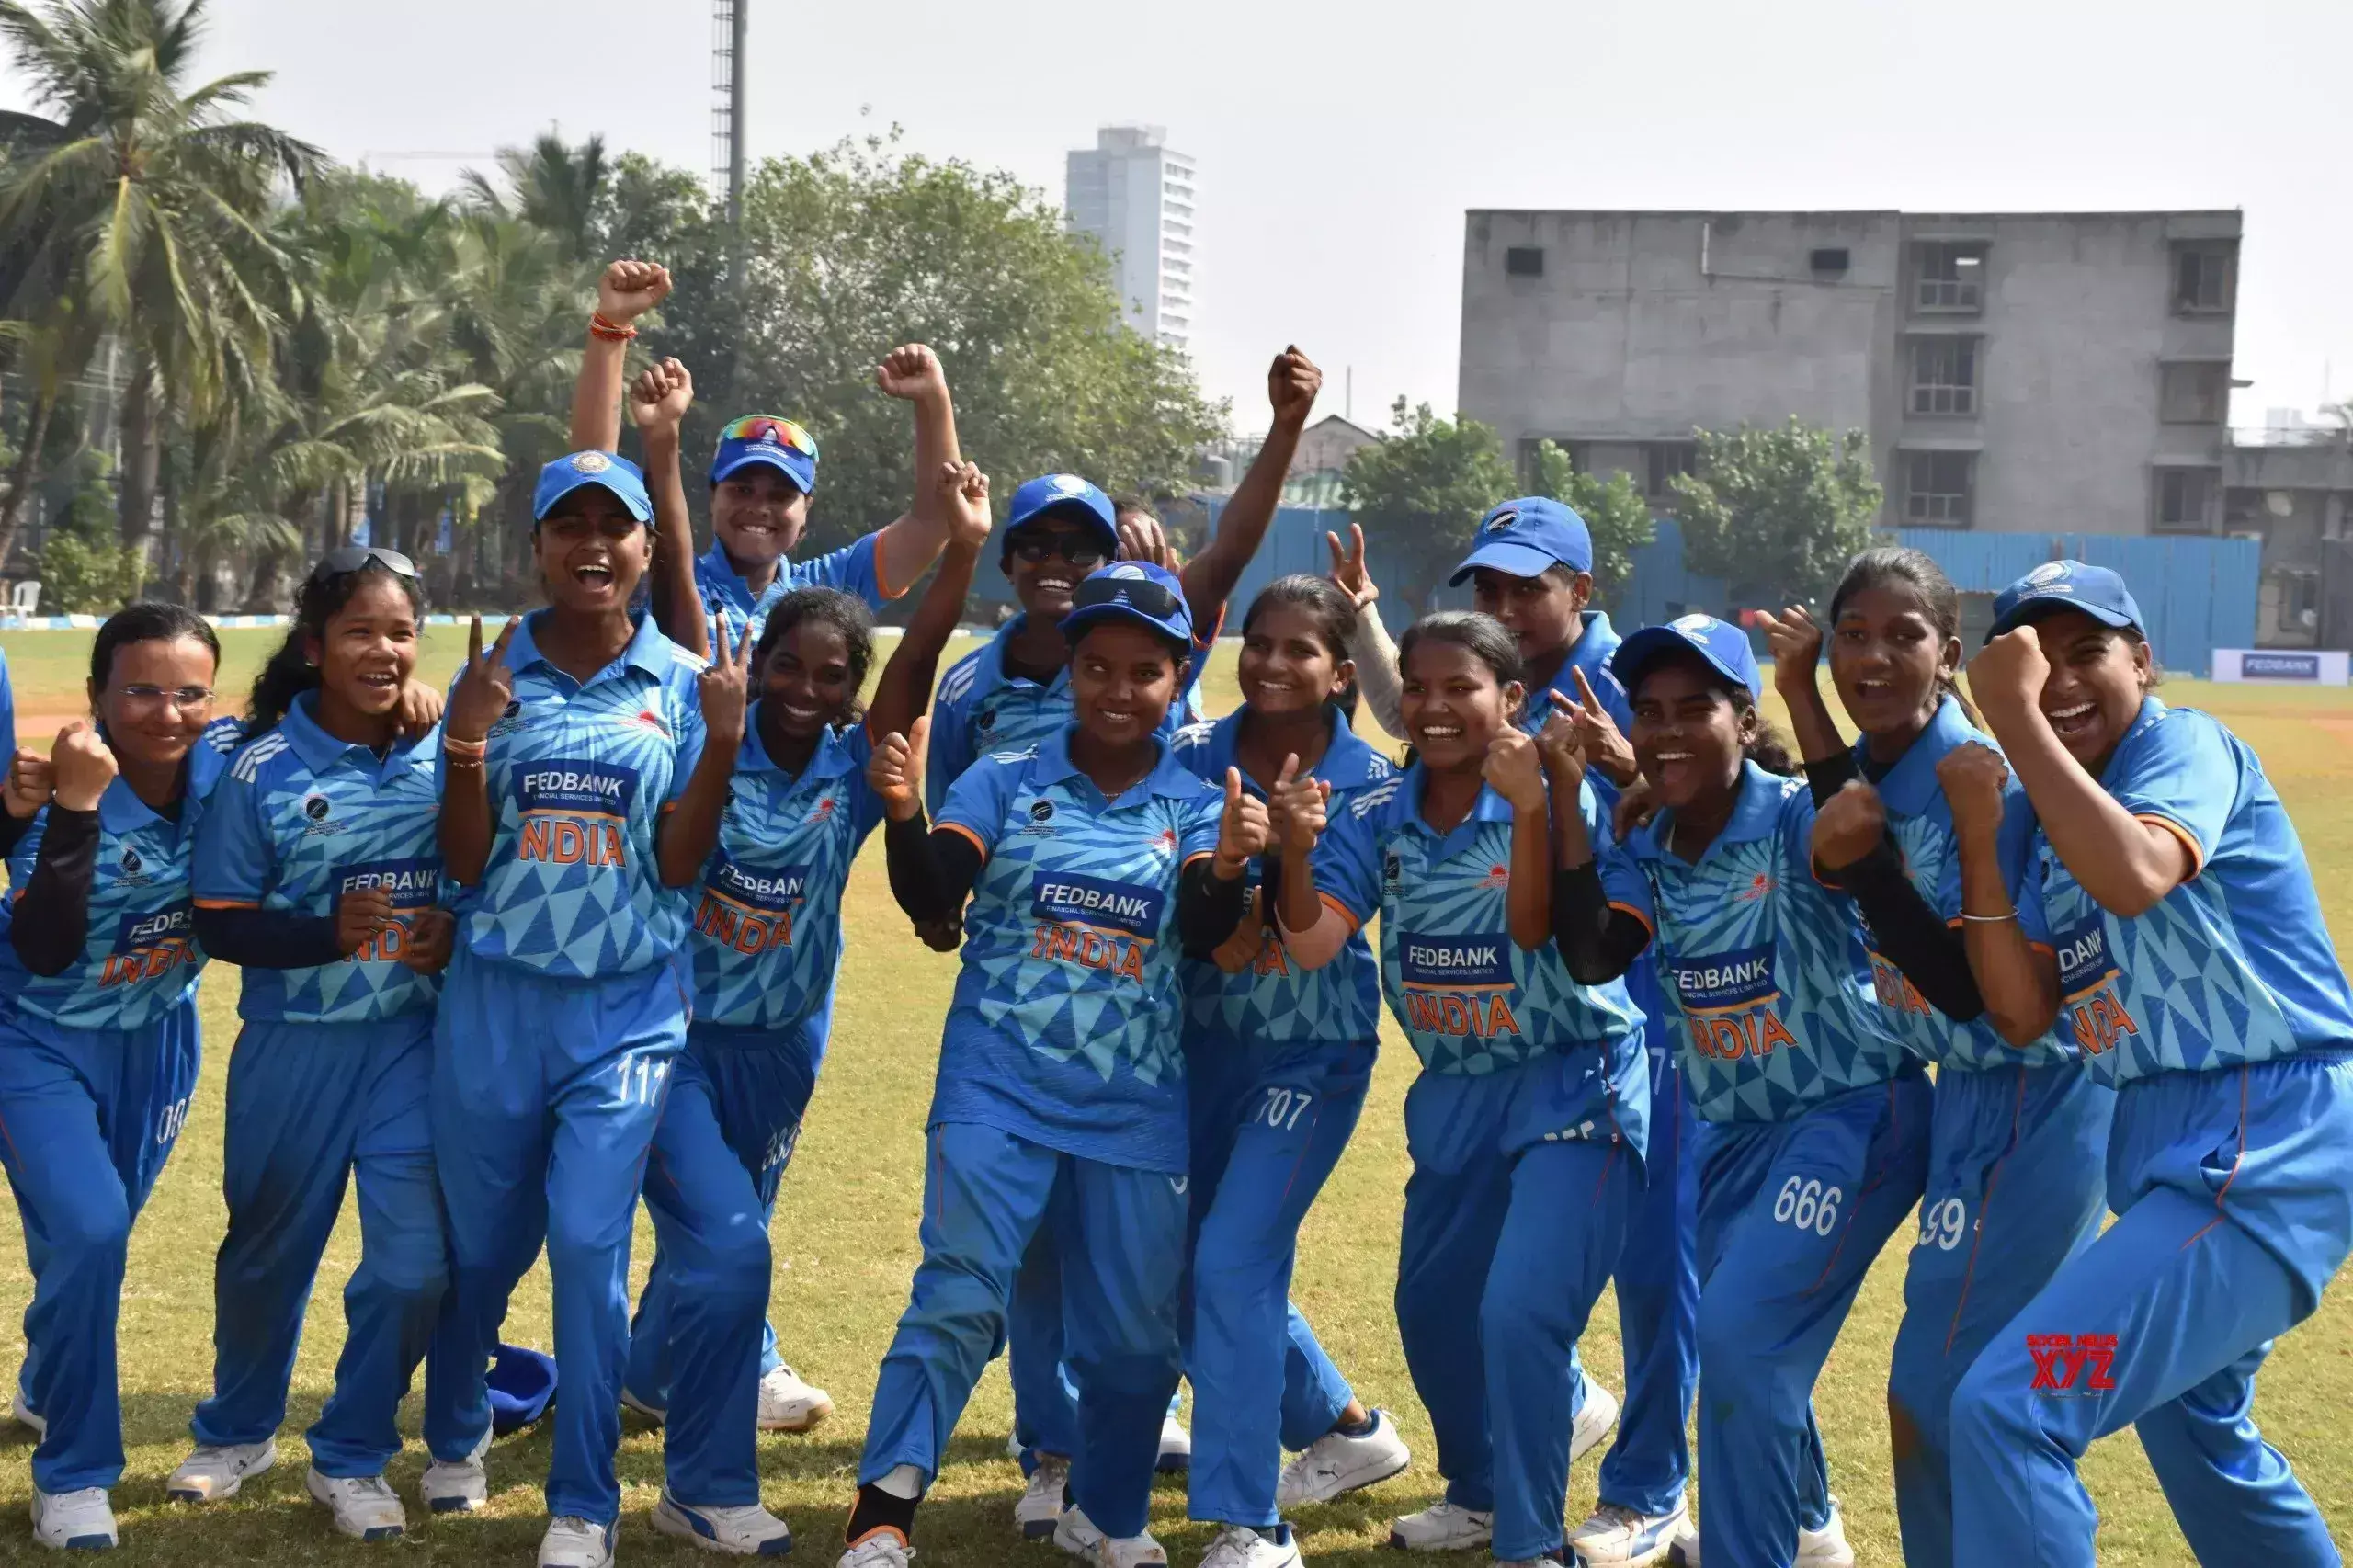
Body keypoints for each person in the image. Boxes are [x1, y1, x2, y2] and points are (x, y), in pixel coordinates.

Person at [929, 349, 1323, 1483]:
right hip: (1040, 990)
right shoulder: (977, 687)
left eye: (1079, 546)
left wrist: (1285, 428)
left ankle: (1295, 1415)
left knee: (1169, 1240)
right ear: (1009, 561)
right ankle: (1055, 1441)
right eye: (1035, 545)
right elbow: (950, 821)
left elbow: (1237, 548)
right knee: (1039, 1237)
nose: (1056, 564)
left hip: (1176, 971)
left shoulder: (1158, 630)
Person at [1941, 562, 2353, 1568]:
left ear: (2144, 659)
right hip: (2178, 1150)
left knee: (2011, 1401)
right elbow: (2021, 1005)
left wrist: (2011, 716)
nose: (2063, 680)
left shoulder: (2183, 743)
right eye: (2039, 662)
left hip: (2263, 1140)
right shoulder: (2049, 812)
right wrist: (1987, 839)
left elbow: (2135, 873)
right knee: (2190, 1422)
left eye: (2088, 652)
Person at [839, 561, 1240, 1568]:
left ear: (1179, 675)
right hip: (998, 1084)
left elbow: (1201, 930)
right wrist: (900, 811)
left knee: (1133, 1341)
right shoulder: (1004, 777)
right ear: (1069, 665)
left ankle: (1104, 1513)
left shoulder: (1193, 804)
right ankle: (880, 1516)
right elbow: (936, 889)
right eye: (1096, 665)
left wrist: (1232, 865)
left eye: (1143, 671)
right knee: (960, 1294)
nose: (1115, 689)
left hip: (1132, 1105)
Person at [631, 460, 997, 1557]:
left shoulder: (852, 766)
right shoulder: (707, 741)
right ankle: (700, 1483)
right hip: (679, 1039)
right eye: (784, 662)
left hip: (787, 1043)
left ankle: (651, 1372)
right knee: (734, 1246)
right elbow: (677, 612)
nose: (802, 685)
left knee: (723, 1236)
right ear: (755, 661)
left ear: (850, 690)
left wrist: (967, 549)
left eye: (828, 673)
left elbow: (920, 658)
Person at [1332, 505, 1698, 1565]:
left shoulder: (1635, 672)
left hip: (1633, 1017)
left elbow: (1702, 798)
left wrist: (1614, 773)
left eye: (1523, 587)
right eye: (1485, 587)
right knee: (1448, 1301)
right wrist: (1361, 614)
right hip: (1481, 1060)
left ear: (1579, 589)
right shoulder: (1444, 727)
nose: (1502, 605)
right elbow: (1419, 698)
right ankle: (1495, 1482)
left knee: (1646, 1271)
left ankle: (1641, 1490)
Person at [1755, 552, 2111, 1568]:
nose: (1872, 654)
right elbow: (1848, 797)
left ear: (1947, 653)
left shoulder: (1974, 774)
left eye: (1900, 634)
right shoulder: (1896, 759)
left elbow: (1966, 986)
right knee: (1971, 1381)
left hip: (2031, 1096)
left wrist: (1861, 862)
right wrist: (1795, 693)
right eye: (1852, 633)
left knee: (1953, 1387)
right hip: (1967, 1098)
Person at [428, 435, 745, 1568]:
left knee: (585, 1240)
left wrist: (720, 746)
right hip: (494, 1001)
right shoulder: (491, 670)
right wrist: (466, 734)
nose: (594, 546)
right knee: (482, 1244)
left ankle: (583, 1500)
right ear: (540, 546)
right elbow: (461, 867)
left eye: (615, 528)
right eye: (572, 526)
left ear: (648, 548)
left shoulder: (679, 679)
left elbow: (677, 864)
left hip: (624, 1011)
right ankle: (456, 1423)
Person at [1552, 614, 1927, 1568]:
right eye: (1650, 712)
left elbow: (1858, 829)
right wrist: (1568, 795)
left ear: (1742, 714)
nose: (1668, 729)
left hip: (1847, 1113)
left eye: (1694, 709)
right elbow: (1594, 951)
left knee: (1738, 1335)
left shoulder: (1795, 813)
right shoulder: (1649, 837)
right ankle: (1809, 1528)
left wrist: (1812, 707)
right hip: (1732, 1131)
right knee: (1752, 1345)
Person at [160, 549, 467, 1543]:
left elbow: (476, 873)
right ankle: (237, 1430)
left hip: (409, 1046)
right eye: (360, 631)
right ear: (314, 646)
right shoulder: (256, 767)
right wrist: (323, 932)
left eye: (399, 632)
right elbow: (219, 921)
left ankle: (351, 1452)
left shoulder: (442, 747)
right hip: (292, 1044)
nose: (383, 650)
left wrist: (447, 933)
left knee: (416, 1263)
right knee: (265, 1252)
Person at [1165, 575, 1407, 1568]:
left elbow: (1308, 935)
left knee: (1230, 1258)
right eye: (1256, 643)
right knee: (1179, 1264)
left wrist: (1286, 848)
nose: (1269, 662)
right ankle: (1345, 1428)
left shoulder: (1373, 783)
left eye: (1298, 648)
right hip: (1192, 1046)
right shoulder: (1186, 757)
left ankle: (1251, 1522)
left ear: (1339, 671)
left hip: (1311, 1053)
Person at [0, 604, 233, 1550]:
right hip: (37, 1038)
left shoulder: (227, 774)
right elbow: (47, 947)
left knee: (95, 1236)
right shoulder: (53, 782)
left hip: (159, 1038)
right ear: (96, 693)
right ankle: (75, 1475)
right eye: (140, 688)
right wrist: (71, 808)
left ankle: (46, 1382)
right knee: (92, 1228)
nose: (165, 712)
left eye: (188, 692)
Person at [575, 258, 963, 662]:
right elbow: (588, 477)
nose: (759, 508)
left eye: (780, 495)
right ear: (713, 497)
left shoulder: (830, 588)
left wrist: (933, 400)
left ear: (806, 510)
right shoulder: (665, 573)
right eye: (742, 489)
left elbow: (934, 520)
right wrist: (611, 329)